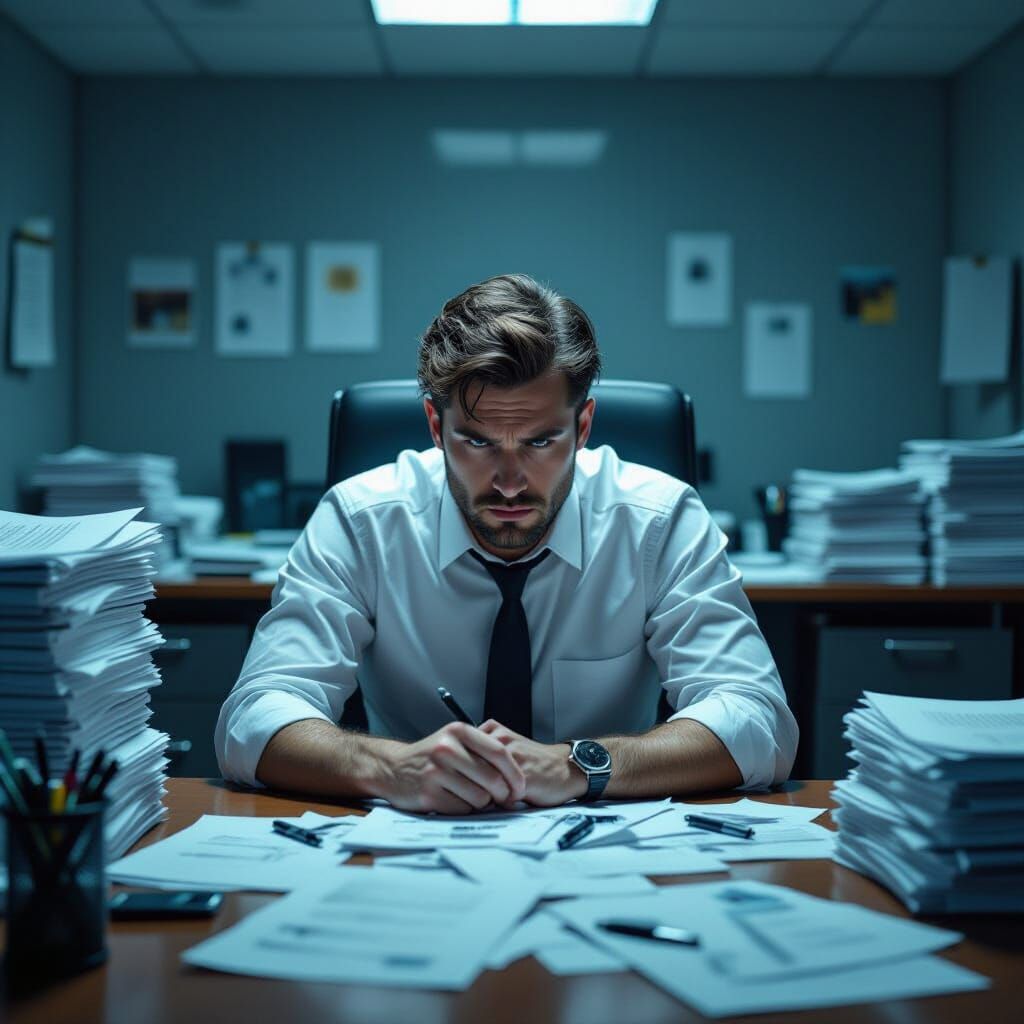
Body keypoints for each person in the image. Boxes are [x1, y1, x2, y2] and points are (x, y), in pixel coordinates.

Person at [215, 273, 798, 814]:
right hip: (414, 849)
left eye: (542, 442)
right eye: (478, 443)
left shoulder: (658, 520)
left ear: (584, 427)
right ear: (435, 427)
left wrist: (578, 765)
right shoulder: (360, 520)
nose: (511, 481)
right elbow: (255, 716)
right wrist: (394, 767)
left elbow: (758, 720)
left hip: (606, 854)